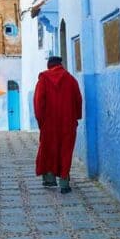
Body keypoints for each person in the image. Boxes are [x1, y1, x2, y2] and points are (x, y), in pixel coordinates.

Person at [34, 56, 83, 194]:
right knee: (65, 151)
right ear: (61, 65)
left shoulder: (43, 80)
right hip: (68, 122)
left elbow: (38, 103)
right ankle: (64, 182)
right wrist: (76, 117)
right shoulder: (71, 79)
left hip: (49, 123)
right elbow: (78, 100)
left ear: (49, 65)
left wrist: (40, 121)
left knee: (48, 149)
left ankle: (49, 179)